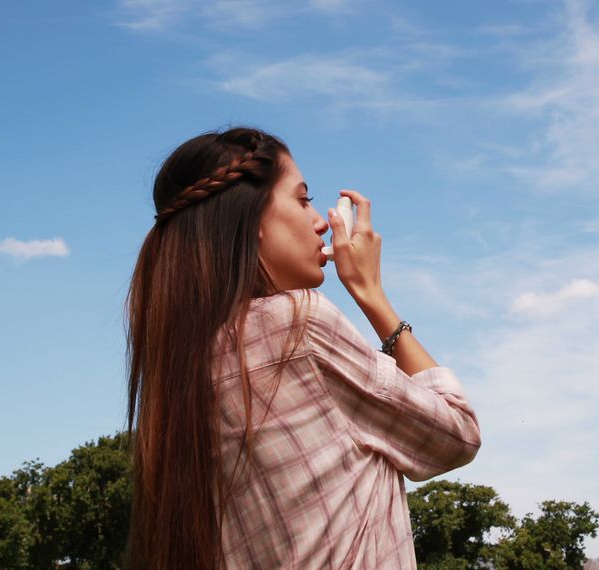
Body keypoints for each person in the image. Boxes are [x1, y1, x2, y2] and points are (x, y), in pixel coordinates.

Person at [124, 126, 481, 569]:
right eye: (302, 198)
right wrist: (371, 295)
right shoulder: (299, 326)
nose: (319, 220)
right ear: (250, 220)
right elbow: (456, 434)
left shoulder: (182, 365)